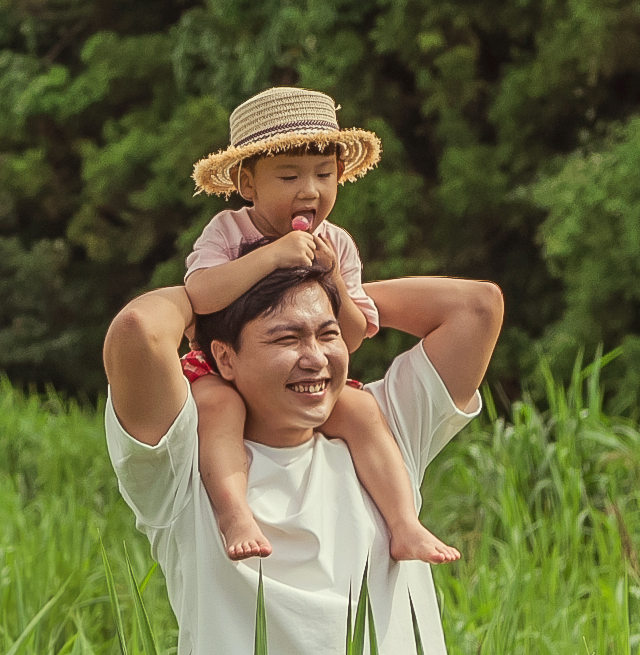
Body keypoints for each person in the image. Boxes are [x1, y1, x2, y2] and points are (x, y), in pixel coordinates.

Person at [102, 254, 506, 655]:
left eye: (327, 335)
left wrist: (331, 281)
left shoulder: (382, 436)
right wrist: (235, 278)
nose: (316, 356)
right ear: (225, 358)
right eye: (285, 337)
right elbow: (138, 331)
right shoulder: (184, 471)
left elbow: (476, 307)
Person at [176, 87, 452, 567]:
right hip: (224, 367)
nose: (310, 190)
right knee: (216, 409)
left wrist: (334, 282)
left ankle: (405, 522)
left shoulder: (337, 243)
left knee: (363, 411)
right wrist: (271, 257)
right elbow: (199, 296)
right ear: (248, 184)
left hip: (301, 375)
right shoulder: (228, 231)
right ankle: (234, 511)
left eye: (325, 175)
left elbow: (354, 333)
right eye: (289, 176)